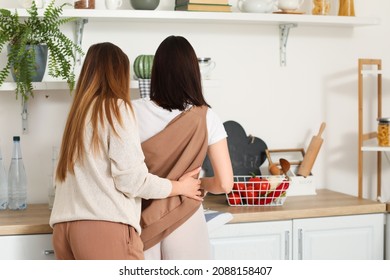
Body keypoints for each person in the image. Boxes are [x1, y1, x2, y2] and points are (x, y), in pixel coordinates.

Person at [49, 42, 203, 260]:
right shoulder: (116, 109)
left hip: (63, 229)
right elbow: (132, 180)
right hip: (102, 229)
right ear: (118, 73)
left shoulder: (77, 115)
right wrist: (180, 186)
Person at [132, 35, 234, 260]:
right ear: (193, 73)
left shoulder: (131, 111)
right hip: (186, 217)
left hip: (140, 218)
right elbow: (226, 183)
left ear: (156, 71)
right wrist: (198, 185)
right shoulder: (208, 117)